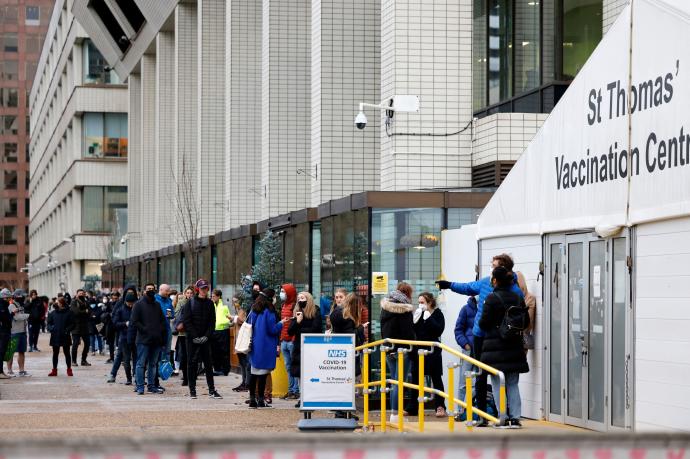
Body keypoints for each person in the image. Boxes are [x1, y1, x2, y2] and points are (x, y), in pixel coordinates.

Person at [436, 253, 523, 426]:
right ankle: (494, 416)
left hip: (487, 337)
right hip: (503, 338)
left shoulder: (500, 290)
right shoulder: (515, 291)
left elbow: (482, 316)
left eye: (494, 265)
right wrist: (450, 285)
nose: (491, 267)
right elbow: (468, 287)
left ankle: (497, 416)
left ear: (502, 270)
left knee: (491, 377)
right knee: (494, 378)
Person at [478, 266, 530, 428]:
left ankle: (502, 417)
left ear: (495, 280)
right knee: (513, 383)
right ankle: (515, 418)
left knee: (497, 383)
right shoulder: (517, 297)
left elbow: (483, 323)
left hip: (495, 349)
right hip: (514, 347)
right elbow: (526, 321)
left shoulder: (492, 298)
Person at [247, 289, 289, 408]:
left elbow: (250, 325)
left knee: (254, 373)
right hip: (266, 346)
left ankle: (252, 400)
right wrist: (281, 323)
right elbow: (272, 329)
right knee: (263, 375)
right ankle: (260, 400)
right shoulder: (269, 311)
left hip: (255, 345)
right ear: (270, 298)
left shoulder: (254, 309)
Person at [380, 282, 416, 422]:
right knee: (399, 382)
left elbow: (384, 330)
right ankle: (396, 415)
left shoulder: (385, 308)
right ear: (407, 294)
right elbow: (407, 333)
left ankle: (393, 414)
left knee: (394, 381)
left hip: (389, 349)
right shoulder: (405, 309)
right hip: (402, 350)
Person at [180, 279, 222, 400]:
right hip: (192, 339)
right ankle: (192, 390)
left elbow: (212, 322)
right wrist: (195, 336)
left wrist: (206, 336)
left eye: (206, 288)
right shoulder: (190, 303)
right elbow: (187, 321)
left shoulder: (210, 303)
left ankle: (212, 390)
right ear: (198, 289)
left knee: (208, 364)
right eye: (202, 288)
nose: (204, 290)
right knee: (191, 363)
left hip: (205, 339)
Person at [412, 292, 446, 417]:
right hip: (419, 350)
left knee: (436, 378)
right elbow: (415, 331)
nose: (420, 305)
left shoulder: (437, 314)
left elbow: (439, 329)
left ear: (430, 303)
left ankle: (440, 406)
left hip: (433, 351)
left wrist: (429, 317)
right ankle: (413, 407)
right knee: (415, 378)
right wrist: (415, 321)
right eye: (419, 302)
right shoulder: (419, 314)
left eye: (422, 302)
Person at [287, 291, 323, 406]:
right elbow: (290, 331)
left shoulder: (315, 311)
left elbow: (316, 330)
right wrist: (297, 322)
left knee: (311, 373)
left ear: (308, 299)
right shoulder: (297, 311)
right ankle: (302, 397)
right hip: (298, 346)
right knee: (300, 373)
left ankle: (312, 396)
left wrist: (300, 330)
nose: (300, 300)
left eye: (302, 298)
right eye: (298, 298)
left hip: (312, 347)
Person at [131, 283, 167, 395]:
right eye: (148, 289)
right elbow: (134, 321)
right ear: (144, 291)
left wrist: (162, 336)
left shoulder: (157, 305)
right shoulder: (138, 304)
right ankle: (140, 386)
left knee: (153, 364)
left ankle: (151, 386)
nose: (151, 291)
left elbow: (162, 321)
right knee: (141, 364)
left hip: (156, 340)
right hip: (143, 340)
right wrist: (145, 330)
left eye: (152, 289)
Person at [454, 295, 477, 418]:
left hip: (481, 350)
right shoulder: (465, 309)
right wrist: (465, 344)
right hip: (468, 350)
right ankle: (460, 411)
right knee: (463, 382)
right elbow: (458, 330)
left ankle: (473, 410)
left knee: (478, 381)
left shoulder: (486, 306)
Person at [108, 292, 137, 384]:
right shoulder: (120, 310)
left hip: (136, 337)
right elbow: (115, 323)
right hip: (124, 337)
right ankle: (128, 378)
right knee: (125, 359)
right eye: (129, 303)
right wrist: (125, 324)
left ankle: (136, 376)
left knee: (136, 358)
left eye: (132, 303)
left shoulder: (136, 309)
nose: (130, 305)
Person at [279, 283, 299, 399]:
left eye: (284, 291)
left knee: (294, 366)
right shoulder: (284, 305)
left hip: (291, 341)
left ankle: (295, 390)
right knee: (288, 367)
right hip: (284, 341)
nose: (282, 293)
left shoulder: (294, 306)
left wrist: (292, 339)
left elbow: (295, 324)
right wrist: (280, 340)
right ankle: (290, 389)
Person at [47, 293, 75, 377]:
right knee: (55, 353)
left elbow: (73, 323)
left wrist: (67, 330)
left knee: (67, 353)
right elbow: (48, 323)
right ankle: (54, 370)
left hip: (65, 335)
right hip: (55, 335)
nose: (56, 303)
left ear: (61, 303)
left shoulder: (69, 312)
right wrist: (52, 329)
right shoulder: (53, 313)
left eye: (57, 302)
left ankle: (69, 369)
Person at [174, 286, 194, 386]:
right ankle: (186, 377)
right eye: (188, 293)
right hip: (183, 333)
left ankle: (191, 377)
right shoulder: (181, 302)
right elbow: (176, 314)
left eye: (191, 293)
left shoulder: (196, 302)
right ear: (185, 293)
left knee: (192, 356)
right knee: (184, 356)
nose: (189, 295)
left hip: (193, 333)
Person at [7, 289, 30, 376]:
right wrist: (28, 315)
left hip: (22, 332)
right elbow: (17, 317)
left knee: (21, 352)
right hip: (14, 332)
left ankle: (21, 371)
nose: (24, 298)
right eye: (22, 296)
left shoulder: (21, 305)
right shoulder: (12, 306)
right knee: (11, 352)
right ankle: (9, 371)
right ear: (18, 296)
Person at [231, 295, 250, 392]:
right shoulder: (238, 310)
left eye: (236, 301)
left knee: (245, 363)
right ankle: (244, 382)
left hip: (243, 340)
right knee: (242, 363)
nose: (235, 303)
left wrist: (234, 319)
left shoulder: (243, 310)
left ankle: (247, 383)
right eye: (234, 301)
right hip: (238, 340)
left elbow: (244, 322)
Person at [211, 289, 231, 376]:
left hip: (223, 331)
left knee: (224, 351)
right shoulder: (211, 305)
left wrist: (224, 322)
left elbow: (228, 318)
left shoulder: (224, 306)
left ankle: (225, 369)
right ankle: (217, 369)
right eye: (211, 296)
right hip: (214, 331)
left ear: (218, 296)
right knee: (215, 351)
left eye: (214, 296)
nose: (212, 298)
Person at [70, 289, 91, 366]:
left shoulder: (86, 302)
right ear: (77, 294)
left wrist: (85, 312)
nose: (81, 294)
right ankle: (74, 361)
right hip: (76, 327)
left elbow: (89, 311)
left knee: (87, 344)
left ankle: (83, 360)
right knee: (75, 344)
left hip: (85, 326)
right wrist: (84, 312)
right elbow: (75, 312)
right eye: (80, 293)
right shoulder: (74, 302)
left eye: (83, 293)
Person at [0, 288, 13, 379]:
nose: (10, 299)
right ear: (5, 297)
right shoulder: (2, 305)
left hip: (5, 330)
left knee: (2, 351)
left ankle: (1, 371)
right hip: (3, 331)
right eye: (9, 297)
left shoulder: (4, 305)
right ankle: (0, 372)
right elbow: (4, 318)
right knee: (1, 352)